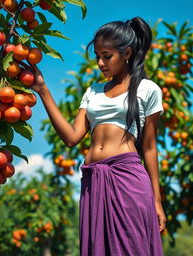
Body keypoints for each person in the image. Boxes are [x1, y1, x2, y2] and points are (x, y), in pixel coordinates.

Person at [30, 16, 166, 256]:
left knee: (131, 248)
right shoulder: (93, 91)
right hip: (93, 181)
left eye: (107, 56)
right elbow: (72, 137)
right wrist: (43, 90)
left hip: (128, 178)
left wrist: (157, 200)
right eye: (98, 57)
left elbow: (150, 147)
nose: (101, 63)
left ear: (127, 53)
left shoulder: (147, 89)